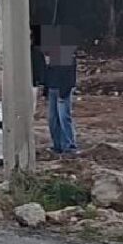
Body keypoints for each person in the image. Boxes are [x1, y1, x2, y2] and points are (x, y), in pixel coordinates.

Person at [43, 27, 79, 155]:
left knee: (64, 117)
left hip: (62, 88)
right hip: (53, 87)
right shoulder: (51, 54)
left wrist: (65, 89)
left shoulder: (66, 52)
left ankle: (69, 146)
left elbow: (70, 75)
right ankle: (57, 145)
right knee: (53, 119)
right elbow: (48, 72)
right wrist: (46, 89)